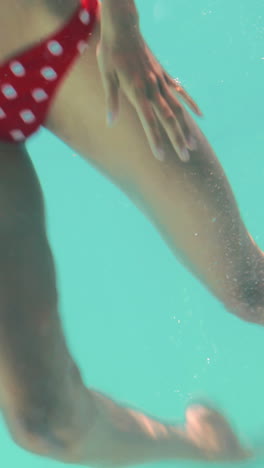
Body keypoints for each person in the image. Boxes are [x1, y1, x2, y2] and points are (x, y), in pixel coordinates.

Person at [0, 0, 258, 464]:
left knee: (251, 288)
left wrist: (123, 24)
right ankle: (209, 449)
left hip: (49, 37)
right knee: (44, 420)